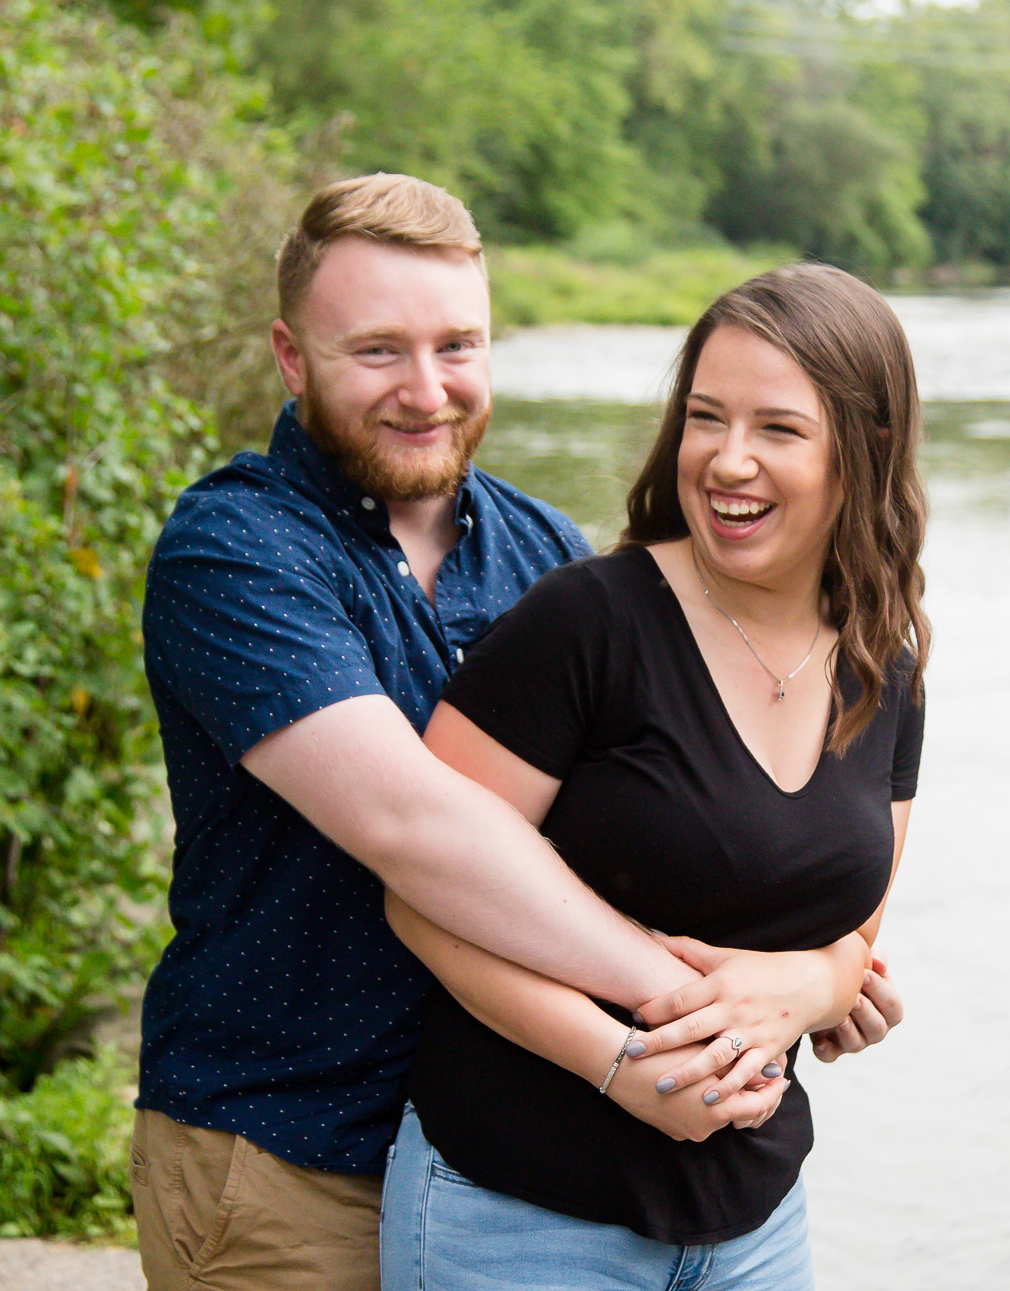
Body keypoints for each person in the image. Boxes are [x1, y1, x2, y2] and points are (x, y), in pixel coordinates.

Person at [131, 176, 902, 1291]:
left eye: (458, 346)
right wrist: (701, 1011)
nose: (425, 389)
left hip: (517, 1128)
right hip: (289, 1150)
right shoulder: (237, 551)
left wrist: (812, 971)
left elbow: (631, 813)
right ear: (292, 360)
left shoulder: (540, 546)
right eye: (377, 352)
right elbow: (418, 828)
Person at [379, 263, 928, 1290]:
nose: (726, 462)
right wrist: (618, 1066)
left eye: (777, 429)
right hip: (519, 1217)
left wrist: (817, 982)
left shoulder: (881, 662)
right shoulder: (585, 624)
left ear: (870, 447)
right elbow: (419, 897)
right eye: (705, 418)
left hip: (755, 1224)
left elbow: (854, 937)